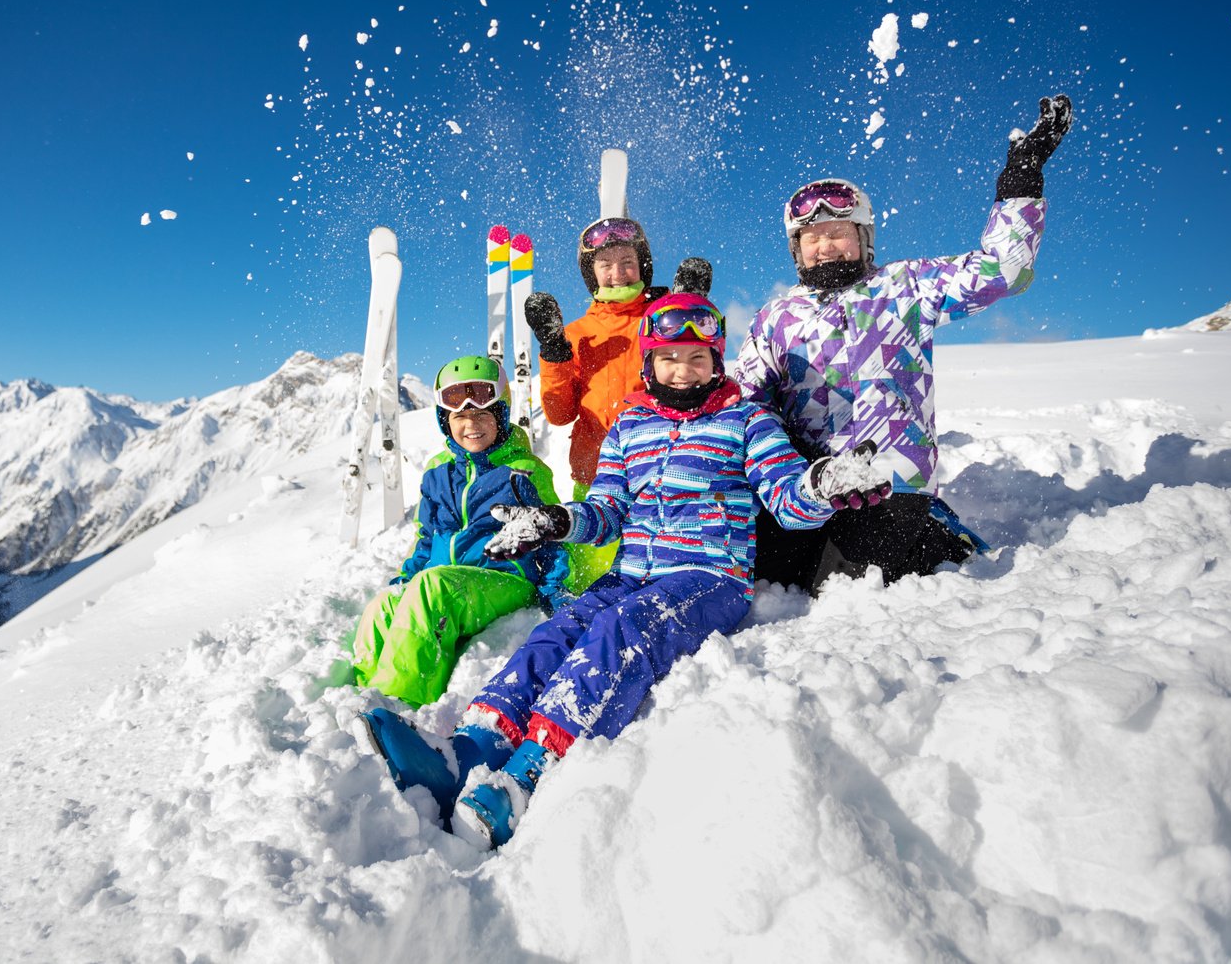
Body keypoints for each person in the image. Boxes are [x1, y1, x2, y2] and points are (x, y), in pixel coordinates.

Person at [350, 294, 891, 848]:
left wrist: (821, 485)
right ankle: (469, 752)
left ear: (716, 361)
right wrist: (556, 521)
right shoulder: (631, 424)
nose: (683, 371)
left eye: (697, 358)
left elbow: (786, 498)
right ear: (650, 362)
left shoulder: (747, 420)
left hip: (707, 574)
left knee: (621, 630)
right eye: (669, 358)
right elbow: (606, 511)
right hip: (630, 571)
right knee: (556, 633)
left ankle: (529, 773)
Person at [735, 94, 1074, 591]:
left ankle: (935, 534)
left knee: (848, 590)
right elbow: (743, 400)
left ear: (864, 237)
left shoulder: (906, 286)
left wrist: (1020, 182)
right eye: (812, 237)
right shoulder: (776, 318)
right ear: (797, 250)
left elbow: (1005, 270)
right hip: (806, 488)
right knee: (759, 580)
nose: (825, 244)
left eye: (838, 232)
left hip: (887, 487)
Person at [350, 355, 570, 707]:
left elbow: (551, 534)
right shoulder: (437, 471)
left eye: (483, 414)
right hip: (452, 583)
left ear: (500, 415)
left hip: (505, 580)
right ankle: (366, 695)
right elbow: (427, 537)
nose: (472, 424)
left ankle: (399, 701)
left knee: (432, 587)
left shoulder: (523, 470)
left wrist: (557, 589)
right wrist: (404, 580)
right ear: (444, 420)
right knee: (383, 606)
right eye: (460, 416)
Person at [521, 217, 711, 594]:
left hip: (665, 478)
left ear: (643, 265)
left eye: (627, 261)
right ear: (591, 274)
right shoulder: (577, 334)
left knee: (665, 586)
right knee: (596, 589)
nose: (618, 273)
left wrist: (689, 310)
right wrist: (555, 352)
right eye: (605, 265)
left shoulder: (662, 320)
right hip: (594, 484)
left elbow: (698, 383)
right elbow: (560, 415)